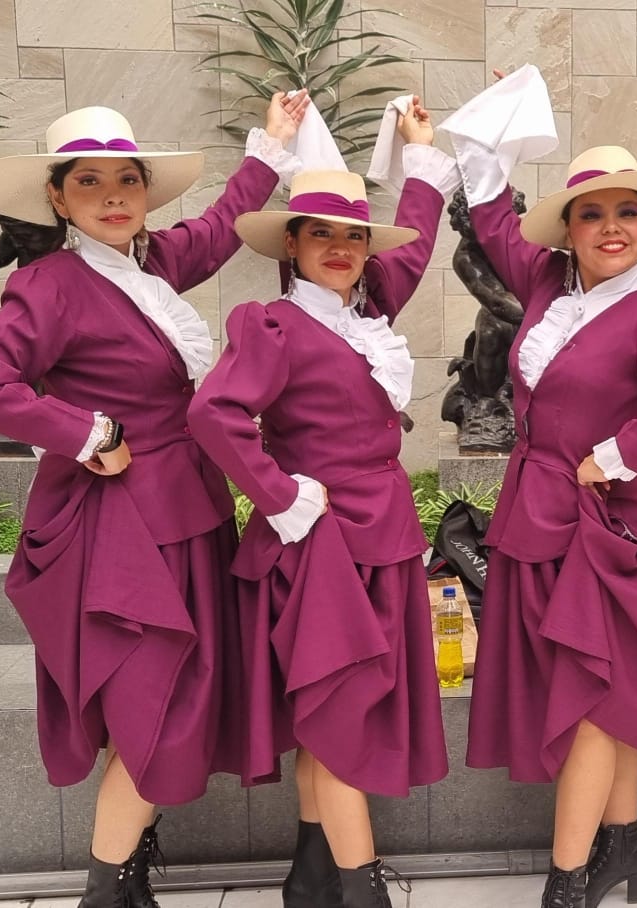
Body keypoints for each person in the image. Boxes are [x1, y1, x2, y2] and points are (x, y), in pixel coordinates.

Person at [0, 93, 309, 908]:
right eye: (89, 182)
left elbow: (217, 228)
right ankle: (106, 893)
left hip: (188, 514)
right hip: (121, 530)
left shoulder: (151, 262)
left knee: (158, 703)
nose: (113, 197)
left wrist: (272, 145)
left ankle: (130, 876)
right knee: (157, 707)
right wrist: (87, 430)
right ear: (57, 196)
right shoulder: (49, 285)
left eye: (127, 181)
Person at [441, 68, 637, 908]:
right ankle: (622, 846)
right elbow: (490, 213)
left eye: (628, 211)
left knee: (597, 700)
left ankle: (566, 883)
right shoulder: (546, 282)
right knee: (605, 696)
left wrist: (613, 456)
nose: (611, 227)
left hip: (613, 530)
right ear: (569, 228)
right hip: (542, 517)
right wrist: (492, 119)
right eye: (592, 213)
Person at [187, 97, 456, 908]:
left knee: (331, 713)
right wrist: (280, 495)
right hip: (321, 547)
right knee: (339, 716)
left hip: (381, 539)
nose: (340, 248)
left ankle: (311, 879)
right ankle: (362, 891)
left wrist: (420, 155)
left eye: (354, 236)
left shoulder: (367, 316)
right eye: (321, 234)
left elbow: (416, 240)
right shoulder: (273, 325)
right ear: (291, 245)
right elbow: (213, 414)